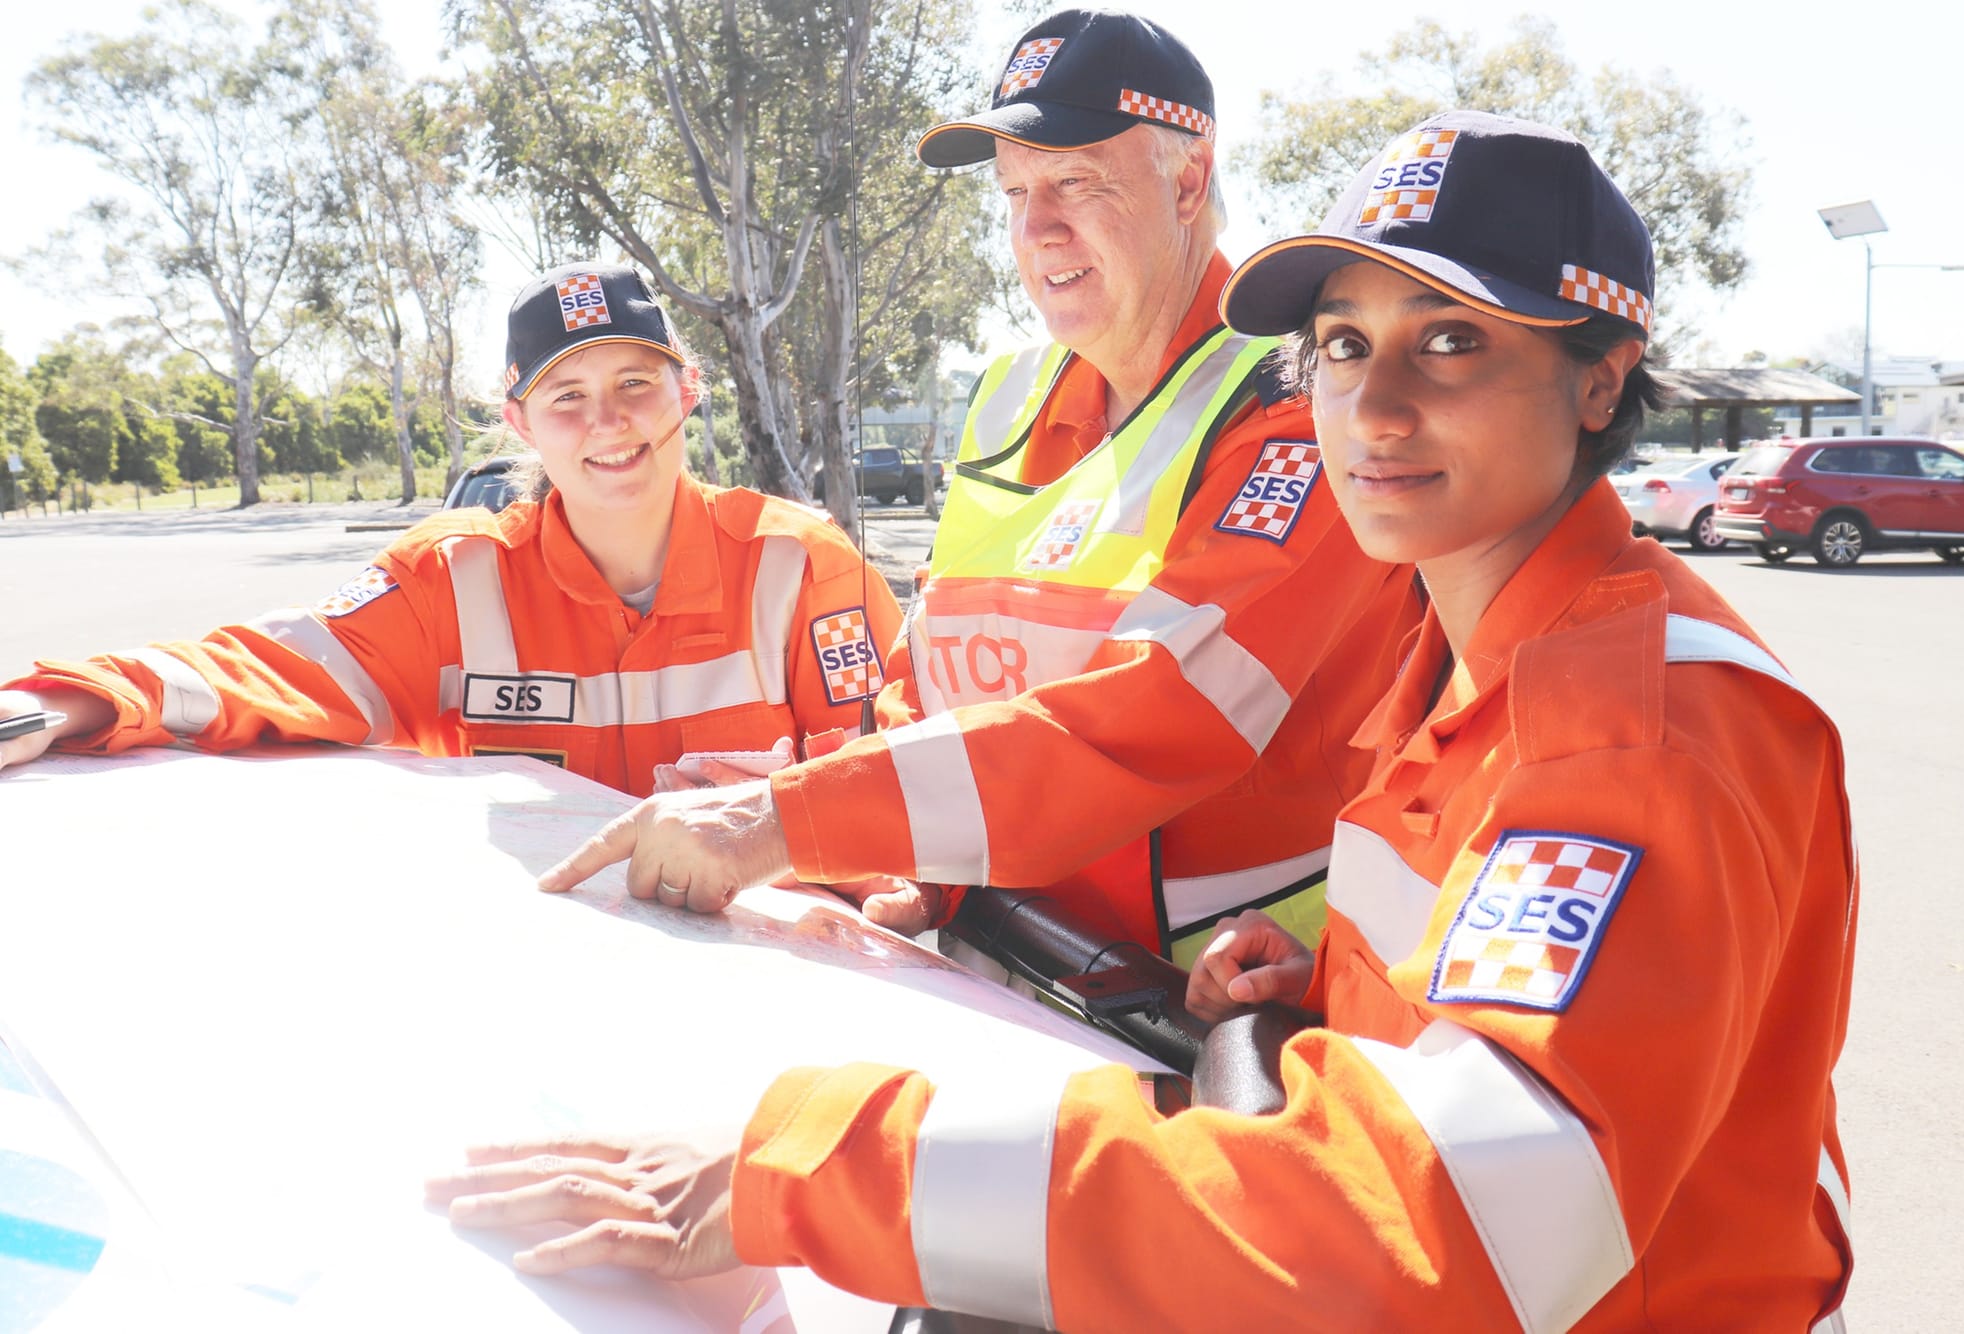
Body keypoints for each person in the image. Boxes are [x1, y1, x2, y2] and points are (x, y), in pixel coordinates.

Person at [429, 113, 1856, 1329]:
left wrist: (800, 1171)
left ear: (1601, 380)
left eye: (1456, 342)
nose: (1373, 404)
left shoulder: (1633, 725)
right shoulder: (1460, 635)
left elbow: (1450, 1226)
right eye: (1345, 344)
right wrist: (1332, 976)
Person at [535, 8, 1419, 965]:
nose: (1036, 229)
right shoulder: (1006, 398)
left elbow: (1150, 722)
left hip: (1233, 1016)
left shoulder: (1300, 399)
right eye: (1014, 193)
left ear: (1189, 180)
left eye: (1075, 182)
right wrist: (851, 821)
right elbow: (929, 679)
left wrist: (789, 818)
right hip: (1008, 974)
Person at [0, 263, 900, 800]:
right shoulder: (454, 577)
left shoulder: (804, 566)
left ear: (688, 393)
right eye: (568, 399)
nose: (610, 423)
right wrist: (68, 702)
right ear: (520, 423)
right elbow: (269, 671)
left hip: (772, 989)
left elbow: (895, 780)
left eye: (636, 384)